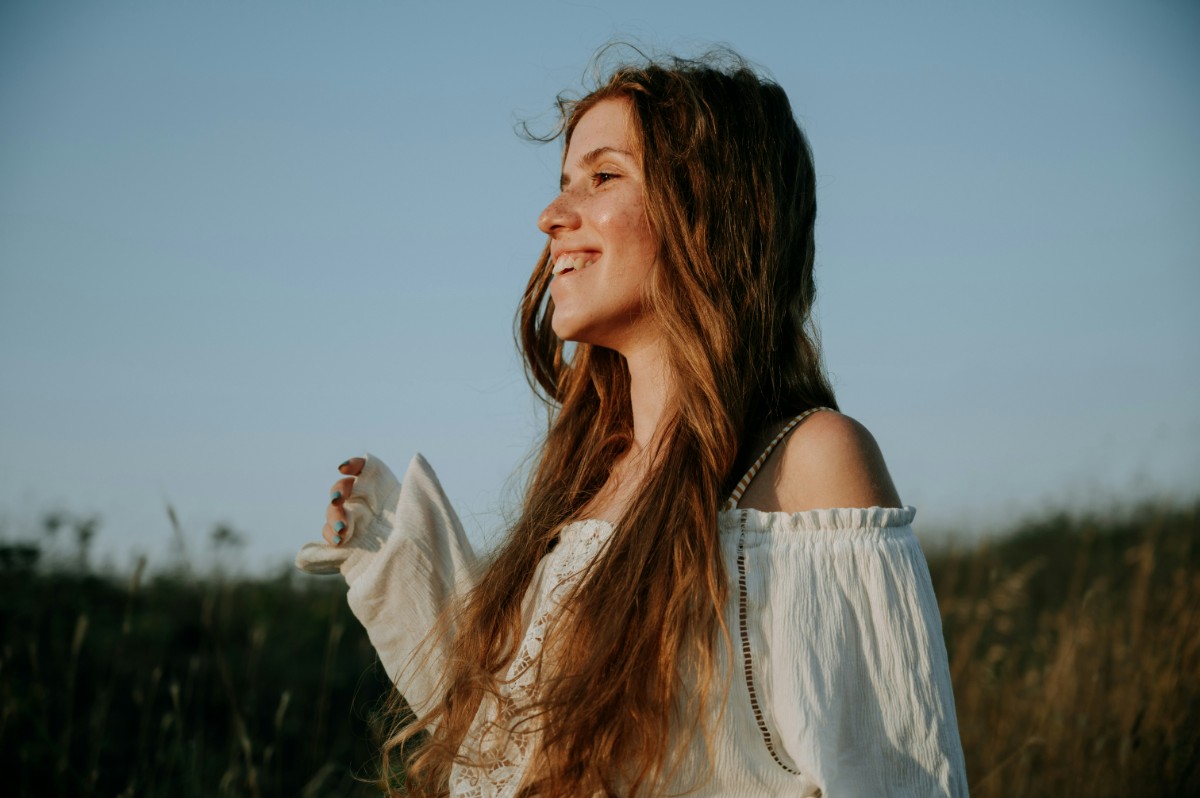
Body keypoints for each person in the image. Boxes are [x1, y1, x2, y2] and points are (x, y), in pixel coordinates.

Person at [297, 49, 968, 797]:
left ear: (709, 210)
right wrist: (404, 558)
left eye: (603, 176)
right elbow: (514, 750)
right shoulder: (589, 479)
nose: (552, 216)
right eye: (561, 186)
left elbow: (898, 777)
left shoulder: (810, 465)